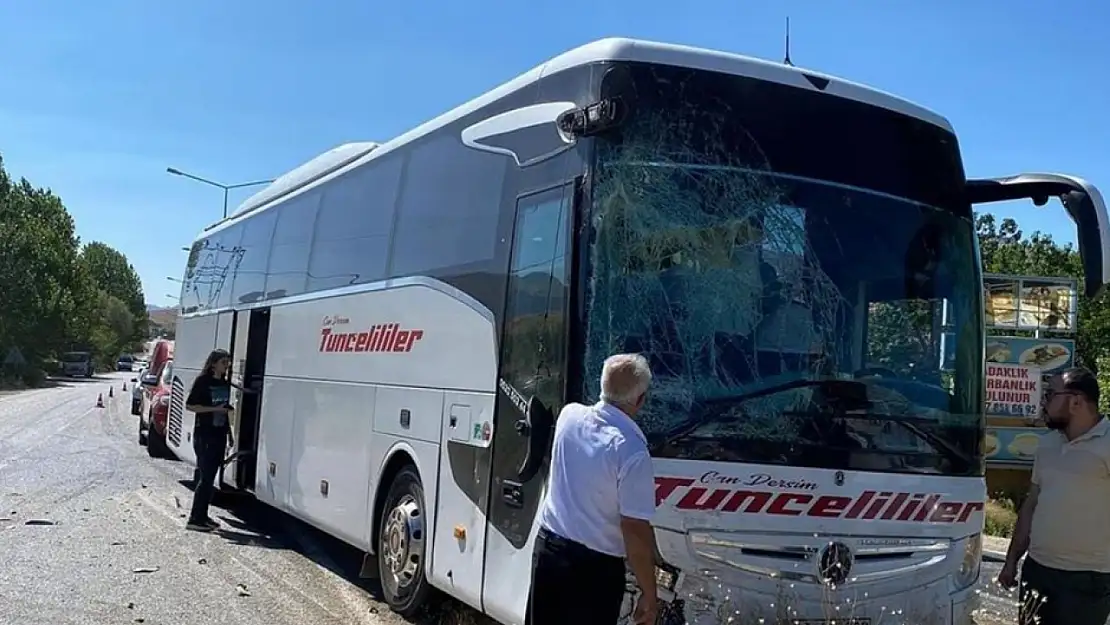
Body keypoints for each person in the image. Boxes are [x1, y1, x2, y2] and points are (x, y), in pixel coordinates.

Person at [530, 353, 659, 625]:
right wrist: (650, 593)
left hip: (549, 552)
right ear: (639, 400)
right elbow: (634, 528)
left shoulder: (569, 416)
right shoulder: (632, 452)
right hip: (594, 571)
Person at [998, 367, 1110, 625]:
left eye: (1050, 395)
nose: (1043, 402)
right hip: (1037, 571)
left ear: (1076, 401)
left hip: (1087, 579)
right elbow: (1031, 504)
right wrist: (1011, 560)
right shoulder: (1048, 444)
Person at [183, 348, 236, 532]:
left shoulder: (224, 383)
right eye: (223, 362)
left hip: (219, 433)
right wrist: (214, 410)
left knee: (210, 477)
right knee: (205, 477)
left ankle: (203, 515)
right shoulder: (203, 382)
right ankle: (194, 519)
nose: (226, 366)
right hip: (204, 434)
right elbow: (190, 406)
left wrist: (229, 433)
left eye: (227, 362)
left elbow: (225, 411)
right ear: (213, 363)